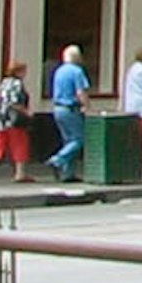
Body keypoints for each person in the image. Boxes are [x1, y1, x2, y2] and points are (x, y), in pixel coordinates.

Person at [45, 46, 91, 185]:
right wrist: (87, 106)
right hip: (71, 108)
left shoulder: (59, 71)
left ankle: (68, 173)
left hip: (58, 108)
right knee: (79, 139)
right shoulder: (77, 71)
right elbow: (80, 92)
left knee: (68, 140)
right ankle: (57, 160)